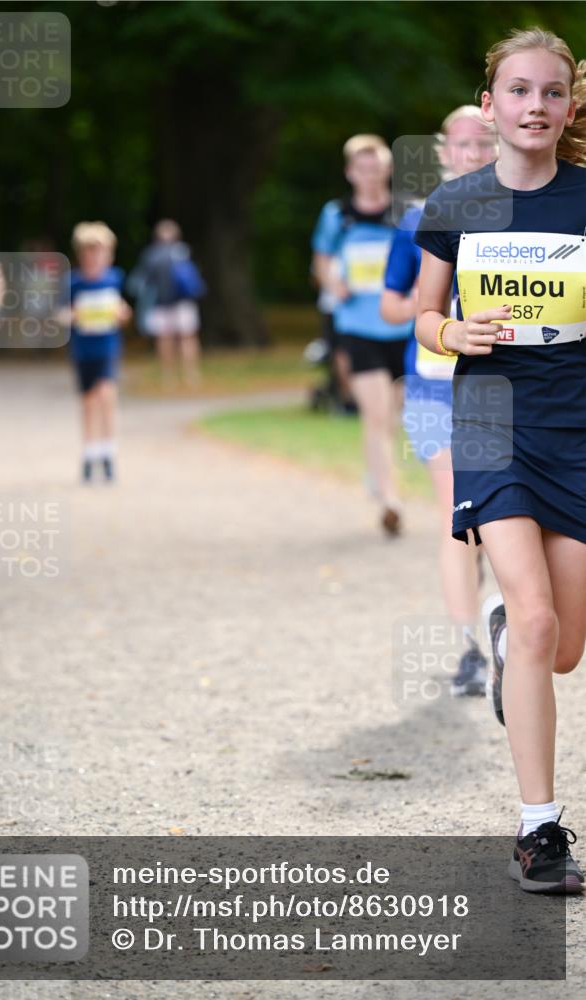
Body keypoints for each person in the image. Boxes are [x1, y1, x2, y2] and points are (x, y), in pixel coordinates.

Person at [414, 27, 586, 893]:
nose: (534, 106)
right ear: (491, 105)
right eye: (518, 91)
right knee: (538, 619)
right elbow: (418, 317)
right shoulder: (456, 203)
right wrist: (453, 332)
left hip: (576, 428)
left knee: (559, 649)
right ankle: (538, 830)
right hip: (488, 419)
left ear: (569, 105)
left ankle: (504, 636)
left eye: (551, 92)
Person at [381, 107, 497, 696]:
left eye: (484, 142)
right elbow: (390, 305)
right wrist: (440, 316)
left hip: (501, 391)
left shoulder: (518, 218)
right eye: (462, 143)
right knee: (461, 520)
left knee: (501, 517)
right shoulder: (417, 221)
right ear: (444, 152)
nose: (473, 152)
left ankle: (502, 620)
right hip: (432, 389)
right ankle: (472, 649)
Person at [312, 136, 414, 536]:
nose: (369, 174)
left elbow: (424, 258)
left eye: (376, 166)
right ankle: (390, 499)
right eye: (361, 167)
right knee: (376, 414)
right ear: (350, 172)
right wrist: (332, 283)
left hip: (404, 327)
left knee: (394, 416)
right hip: (357, 326)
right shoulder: (337, 215)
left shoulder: (407, 212)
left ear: (388, 170)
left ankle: (379, 473)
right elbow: (321, 261)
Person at [68, 222, 131, 483]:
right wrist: (72, 315)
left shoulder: (114, 279)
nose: (94, 258)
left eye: (100, 252)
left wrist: (122, 313)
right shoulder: (73, 283)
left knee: (106, 394)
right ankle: (89, 451)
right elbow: (61, 313)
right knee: (88, 401)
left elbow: (124, 311)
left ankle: (108, 451)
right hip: (83, 350)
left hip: (107, 347)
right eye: (89, 252)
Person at [127, 220, 204, 389]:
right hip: (181, 302)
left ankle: (169, 377)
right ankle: (189, 375)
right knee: (185, 337)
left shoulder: (151, 254)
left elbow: (141, 281)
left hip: (162, 303)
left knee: (168, 339)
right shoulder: (183, 251)